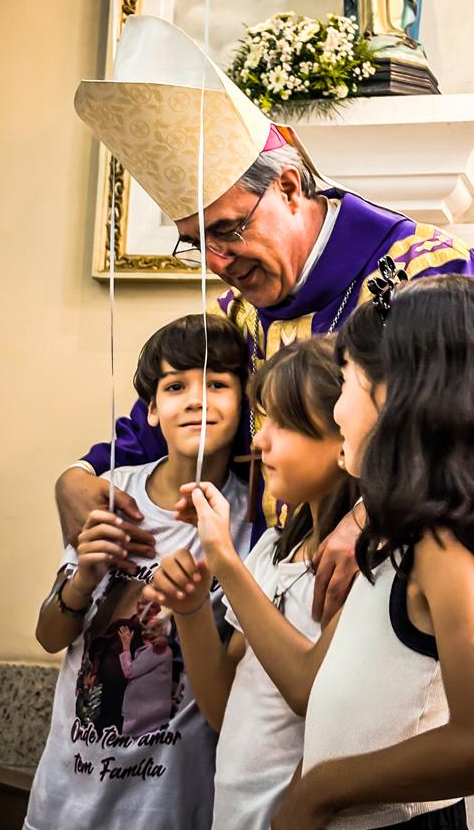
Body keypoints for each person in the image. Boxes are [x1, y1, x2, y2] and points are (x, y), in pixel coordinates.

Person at [64, 14, 474, 621]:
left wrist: (367, 516)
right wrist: (83, 472)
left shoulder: (425, 270)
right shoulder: (241, 312)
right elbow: (178, 414)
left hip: (414, 590)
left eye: (227, 229)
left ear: (289, 187)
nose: (218, 262)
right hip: (277, 582)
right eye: (197, 243)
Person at [176, 274, 474, 830]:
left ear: (398, 395)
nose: (337, 411)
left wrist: (321, 790)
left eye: (348, 382)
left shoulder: (439, 548)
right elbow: (312, 687)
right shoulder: (385, 541)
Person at [24, 314, 252, 830]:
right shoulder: (113, 493)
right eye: (175, 387)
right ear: (150, 410)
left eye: (217, 384)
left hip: (172, 807)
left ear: (244, 403)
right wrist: (84, 578)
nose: (196, 401)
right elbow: (49, 635)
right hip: (65, 803)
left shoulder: (252, 520)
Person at [143, 338, 358, 830]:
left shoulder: (360, 565)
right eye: (263, 422)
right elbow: (224, 707)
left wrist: (224, 560)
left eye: (284, 424)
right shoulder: (274, 549)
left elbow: (306, 691)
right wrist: (192, 610)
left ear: (346, 436)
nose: (260, 443)